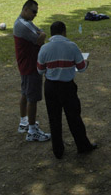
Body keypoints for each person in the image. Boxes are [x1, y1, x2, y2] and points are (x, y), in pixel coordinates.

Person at [37, 21, 97, 159]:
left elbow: (40, 70)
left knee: (54, 119)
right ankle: (82, 145)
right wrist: (86, 63)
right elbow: (81, 68)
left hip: (51, 87)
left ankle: (58, 151)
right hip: (67, 87)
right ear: (64, 32)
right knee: (74, 117)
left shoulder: (44, 48)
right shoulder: (71, 46)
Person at [13, 0, 51, 142]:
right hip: (30, 66)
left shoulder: (24, 22)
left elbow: (39, 31)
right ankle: (32, 131)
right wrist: (42, 34)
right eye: (33, 11)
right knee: (32, 98)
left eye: (37, 12)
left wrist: (41, 33)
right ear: (25, 10)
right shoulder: (23, 25)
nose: (35, 15)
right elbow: (40, 38)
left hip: (25, 65)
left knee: (25, 93)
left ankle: (24, 122)